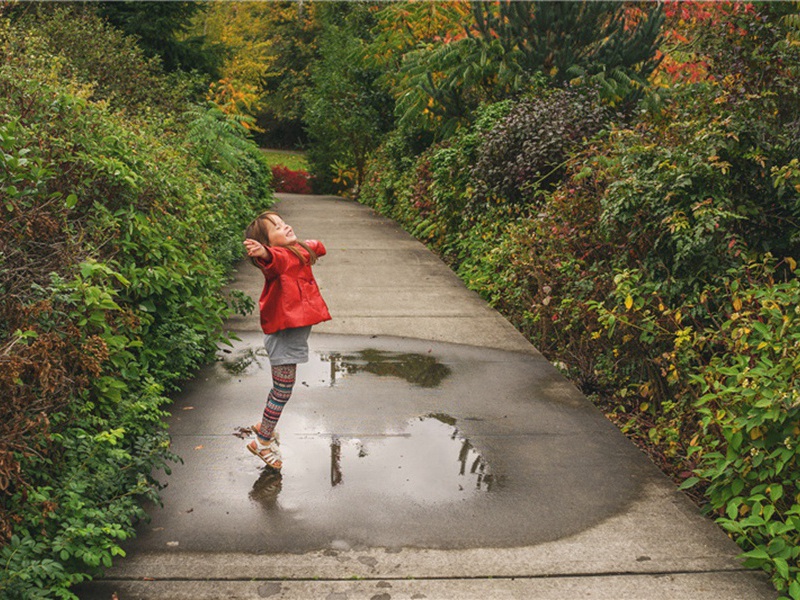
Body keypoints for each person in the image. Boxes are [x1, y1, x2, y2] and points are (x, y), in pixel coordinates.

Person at [242, 210, 331, 469]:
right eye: (278, 228)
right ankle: (262, 442)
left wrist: (298, 245)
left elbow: (317, 247)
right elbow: (274, 260)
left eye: (283, 222)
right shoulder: (278, 260)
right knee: (281, 392)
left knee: (282, 391)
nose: (286, 226)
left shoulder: (293, 254)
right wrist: (265, 254)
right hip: (283, 337)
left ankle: (264, 427)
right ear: (268, 244)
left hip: (289, 336)